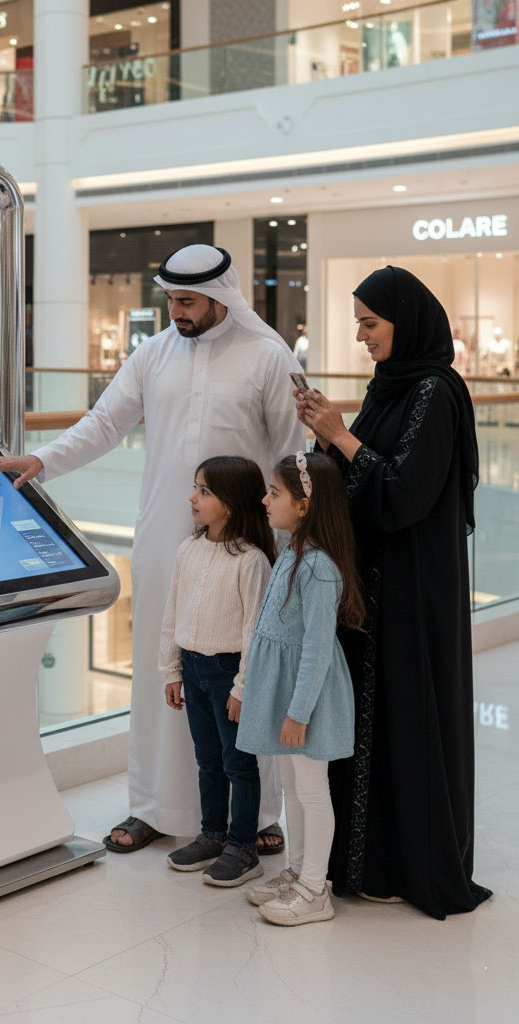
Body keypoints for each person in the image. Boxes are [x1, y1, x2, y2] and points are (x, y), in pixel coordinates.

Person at [0, 243, 304, 853]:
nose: (176, 312)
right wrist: (44, 460)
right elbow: (104, 424)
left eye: (187, 302)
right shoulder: (153, 354)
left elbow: (290, 453)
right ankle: (154, 805)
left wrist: (289, 545)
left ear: (220, 296)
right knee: (166, 671)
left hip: (247, 545)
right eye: (171, 301)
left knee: (245, 675)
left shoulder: (268, 357)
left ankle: (256, 815)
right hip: (163, 536)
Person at [296, 265, 491, 918]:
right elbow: (358, 481)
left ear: (405, 323)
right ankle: (366, 859)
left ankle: (412, 863)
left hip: (411, 589)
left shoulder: (437, 391)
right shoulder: (390, 387)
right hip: (372, 588)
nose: (361, 336)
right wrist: (325, 438)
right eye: (358, 322)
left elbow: (405, 494)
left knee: (407, 717)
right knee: (371, 723)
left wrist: (341, 435)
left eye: (370, 323)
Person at [236, 452, 364, 925]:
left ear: (305, 504)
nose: (265, 500)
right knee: (290, 784)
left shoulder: (318, 568)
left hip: (306, 700)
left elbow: (315, 650)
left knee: (312, 791)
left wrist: (298, 712)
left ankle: (315, 889)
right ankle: (296, 873)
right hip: (286, 694)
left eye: (275, 493)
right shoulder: (290, 550)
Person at [160, 456, 276, 886]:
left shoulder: (251, 561)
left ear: (230, 503)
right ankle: (212, 834)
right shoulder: (188, 549)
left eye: (204, 491)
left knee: (239, 765)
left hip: (230, 674)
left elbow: (254, 634)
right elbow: (172, 612)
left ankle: (243, 847)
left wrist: (243, 688)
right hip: (192, 667)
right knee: (207, 760)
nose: (193, 497)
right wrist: (171, 669)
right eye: (196, 488)